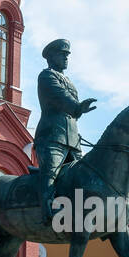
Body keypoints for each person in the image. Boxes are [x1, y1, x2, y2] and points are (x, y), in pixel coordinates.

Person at [32, 39, 97, 225]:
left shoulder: (69, 81)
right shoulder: (46, 76)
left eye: (67, 55)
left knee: (83, 175)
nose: (66, 57)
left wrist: (78, 110)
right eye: (63, 54)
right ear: (51, 57)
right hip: (52, 136)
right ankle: (48, 211)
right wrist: (78, 107)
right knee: (51, 172)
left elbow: (72, 112)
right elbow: (60, 98)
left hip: (72, 139)